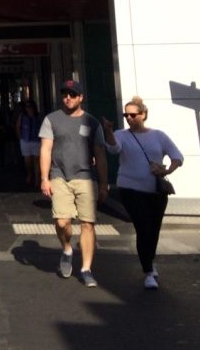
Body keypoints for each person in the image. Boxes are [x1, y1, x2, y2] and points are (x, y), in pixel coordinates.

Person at [102, 96, 184, 289]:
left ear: (143, 114)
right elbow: (114, 148)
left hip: (155, 191)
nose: (129, 118)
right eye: (126, 115)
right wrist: (108, 131)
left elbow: (177, 156)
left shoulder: (158, 136)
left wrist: (166, 170)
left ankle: (151, 261)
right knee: (143, 227)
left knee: (153, 230)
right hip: (130, 189)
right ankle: (148, 271)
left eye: (133, 114)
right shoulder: (121, 134)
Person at [39, 79, 108, 288]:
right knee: (62, 222)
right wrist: (44, 178)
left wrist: (104, 184)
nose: (67, 97)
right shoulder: (52, 119)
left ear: (81, 97)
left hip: (86, 177)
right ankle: (67, 248)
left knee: (87, 224)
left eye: (72, 94)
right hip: (59, 175)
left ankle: (86, 268)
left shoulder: (91, 122)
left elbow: (100, 154)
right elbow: (45, 149)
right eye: (65, 94)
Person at [16, 99, 42, 188]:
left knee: (37, 160)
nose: (28, 108)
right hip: (25, 140)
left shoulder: (38, 116)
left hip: (36, 140)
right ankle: (30, 173)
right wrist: (20, 138)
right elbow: (18, 126)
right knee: (28, 161)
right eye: (27, 107)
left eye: (30, 106)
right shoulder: (23, 116)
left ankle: (37, 179)